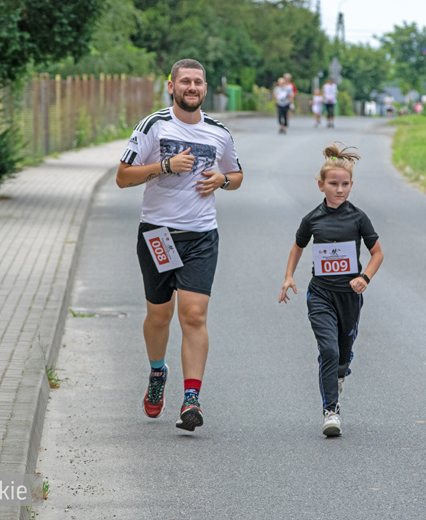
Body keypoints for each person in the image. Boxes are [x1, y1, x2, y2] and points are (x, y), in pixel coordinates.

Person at [116, 58, 244, 432]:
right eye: (185, 81)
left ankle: (192, 399)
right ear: (171, 86)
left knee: (194, 315)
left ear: (205, 88)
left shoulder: (219, 133)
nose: (192, 87)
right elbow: (123, 177)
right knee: (160, 315)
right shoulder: (154, 125)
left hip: (201, 235)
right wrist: (165, 166)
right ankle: (158, 373)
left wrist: (222, 178)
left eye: (198, 82)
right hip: (158, 234)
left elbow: (237, 176)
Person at [278, 143, 384, 437]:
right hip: (321, 294)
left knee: (343, 356)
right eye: (333, 184)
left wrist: (365, 277)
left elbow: (377, 254)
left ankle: (338, 375)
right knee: (328, 349)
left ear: (352, 185)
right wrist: (288, 277)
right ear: (321, 185)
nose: (339, 190)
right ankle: (331, 412)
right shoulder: (312, 219)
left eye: (345, 184)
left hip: (350, 297)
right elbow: (297, 247)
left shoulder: (358, 218)